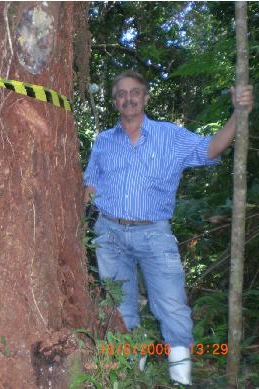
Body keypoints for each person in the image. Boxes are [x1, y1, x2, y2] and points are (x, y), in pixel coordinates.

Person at [83, 70, 254, 385]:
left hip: (154, 233)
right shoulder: (104, 141)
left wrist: (238, 113)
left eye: (135, 91)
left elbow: (210, 149)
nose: (129, 97)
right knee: (120, 309)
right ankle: (133, 374)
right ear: (115, 101)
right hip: (108, 234)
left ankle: (181, 378)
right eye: (121, 93)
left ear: (146, 98)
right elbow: (90, 185)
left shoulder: (169, 136)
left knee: (172, 306)